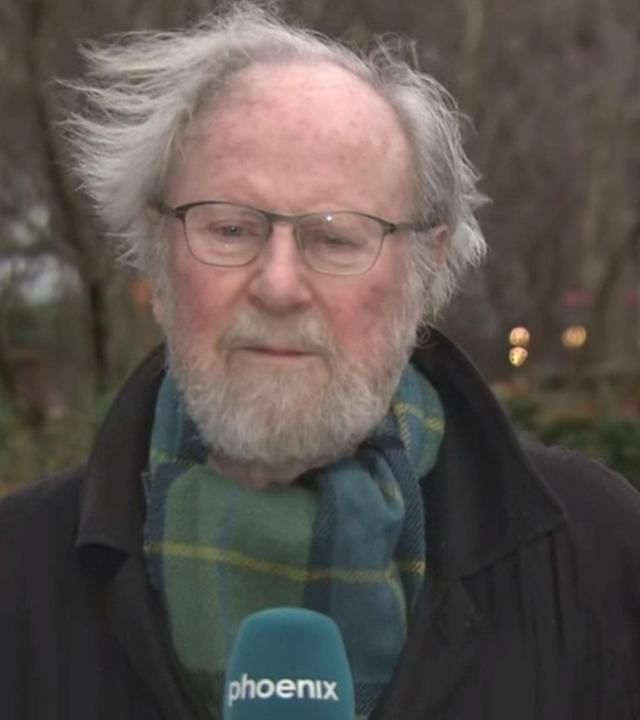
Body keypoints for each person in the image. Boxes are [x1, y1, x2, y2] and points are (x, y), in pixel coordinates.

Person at [1, 4, 639, 719]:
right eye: (231, 228)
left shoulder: (598, 559)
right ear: (160, 253)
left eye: (336, 239)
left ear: (425, 269)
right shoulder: (17, 574)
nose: (278, 286)